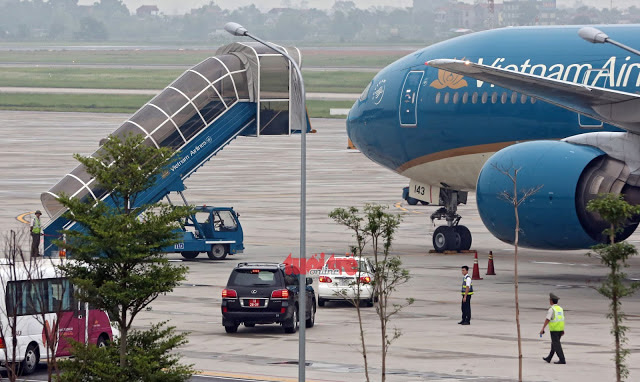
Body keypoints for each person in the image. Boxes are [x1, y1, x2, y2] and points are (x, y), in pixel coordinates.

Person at [540, 293, 566, 364]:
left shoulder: (551, 309)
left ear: (551, 301)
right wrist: (563, 329)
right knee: (554, 344)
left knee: (556, 345)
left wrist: (543, 328)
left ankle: (562, 359)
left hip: (554, 329)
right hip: (560, 329)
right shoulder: (560, 309)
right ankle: (549, 358)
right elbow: (562, 319)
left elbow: (547, 319)